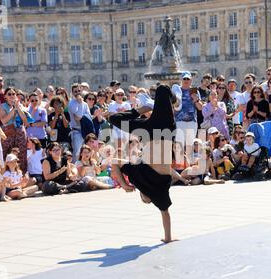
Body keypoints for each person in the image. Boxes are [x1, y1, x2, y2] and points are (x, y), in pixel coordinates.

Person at [109, 84, 178, 243]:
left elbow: (165, 214)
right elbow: (115, 162)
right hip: (161, 130)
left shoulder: (140, 179)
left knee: (114, 118)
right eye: (147, 200)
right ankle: (162, 102)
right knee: (161, 90)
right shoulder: (143, 182)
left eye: (144, 200)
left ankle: (148, 106)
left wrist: (125, 184)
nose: (147, 199)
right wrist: (124, 184)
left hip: (152, 132)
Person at [0, 87, 29, 172]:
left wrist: (18, 107)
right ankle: (5, 174)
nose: (12, 96)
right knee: (6, 154)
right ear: (5, 97)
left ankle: (21, 173)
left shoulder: (20, 106)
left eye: (13, 94)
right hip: (8, 132)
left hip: (20, 132)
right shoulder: (1, 107)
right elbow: (4, 120)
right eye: (9, 94)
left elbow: (25, 120)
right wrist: (13, 109)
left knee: (21, 154)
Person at [172, 71, 203, 154]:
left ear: (191, 80)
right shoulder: (176, 91)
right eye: (184, 78)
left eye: (188, 79)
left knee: (190, 145)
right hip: (179, 121)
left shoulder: (195, 92)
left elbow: (200, 108)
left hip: (192, 122)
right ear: (181, 79)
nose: (186, 80)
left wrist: (196, 99)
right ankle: (179, 163)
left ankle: (189, 163)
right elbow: (173, 108)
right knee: (179, 144)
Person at [69, 83, 94, 161]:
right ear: (72, 93)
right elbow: (78, 118)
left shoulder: (85, 104)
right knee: (77, 152)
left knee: (88, 151)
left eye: (79, 91)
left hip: (86, 131)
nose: (77, 93)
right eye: (75, 91)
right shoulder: (71, 103)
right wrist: (80, 104)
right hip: (77, 131)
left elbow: (89, 117)